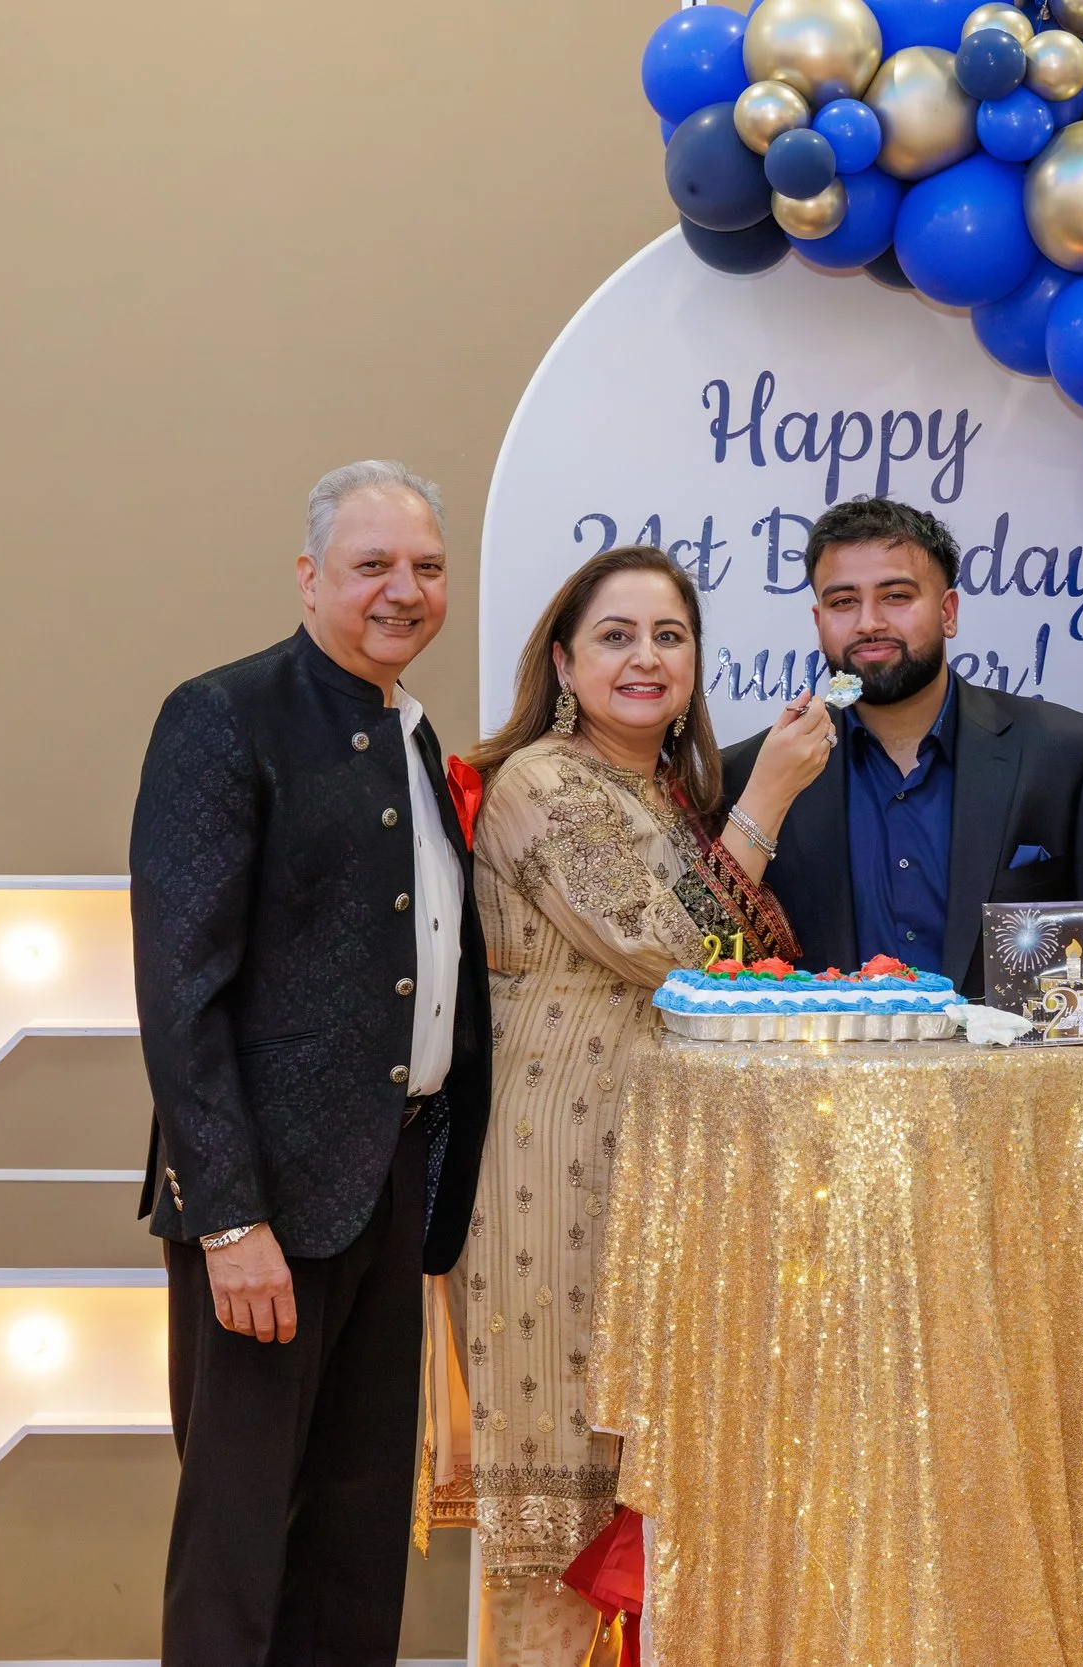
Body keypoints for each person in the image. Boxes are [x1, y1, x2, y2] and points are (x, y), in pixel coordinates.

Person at [130, 459, 492, 1666]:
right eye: (373, 565)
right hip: (267, 1210)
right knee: (240, 1541)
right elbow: (182, 993)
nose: (405, 590)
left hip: (389, 1187)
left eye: (427, 568)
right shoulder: (223, 714)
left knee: (355, 1538)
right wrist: (228, 1220)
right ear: (308, 577)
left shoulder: (412, 723)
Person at [442, 544, 827, 1661]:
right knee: (559, 1502)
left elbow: (756, 972)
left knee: (656, 1500)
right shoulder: (541, 782)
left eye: (670, 635)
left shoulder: (664, 795)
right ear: (563, 659)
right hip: (552, 1174)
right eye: (617, 634)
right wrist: (764, 803)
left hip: (665, 1179)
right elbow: (671, 949)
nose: (647, 656)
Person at [720, 496, 1083, 995]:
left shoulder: (1068, 756)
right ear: (818, 622)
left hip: (1013, 1072)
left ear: (948, 612)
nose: (869, 622)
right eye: (843, 602)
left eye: (896, 596)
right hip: (823, 1072)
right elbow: (713, 964)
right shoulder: (751, 775)